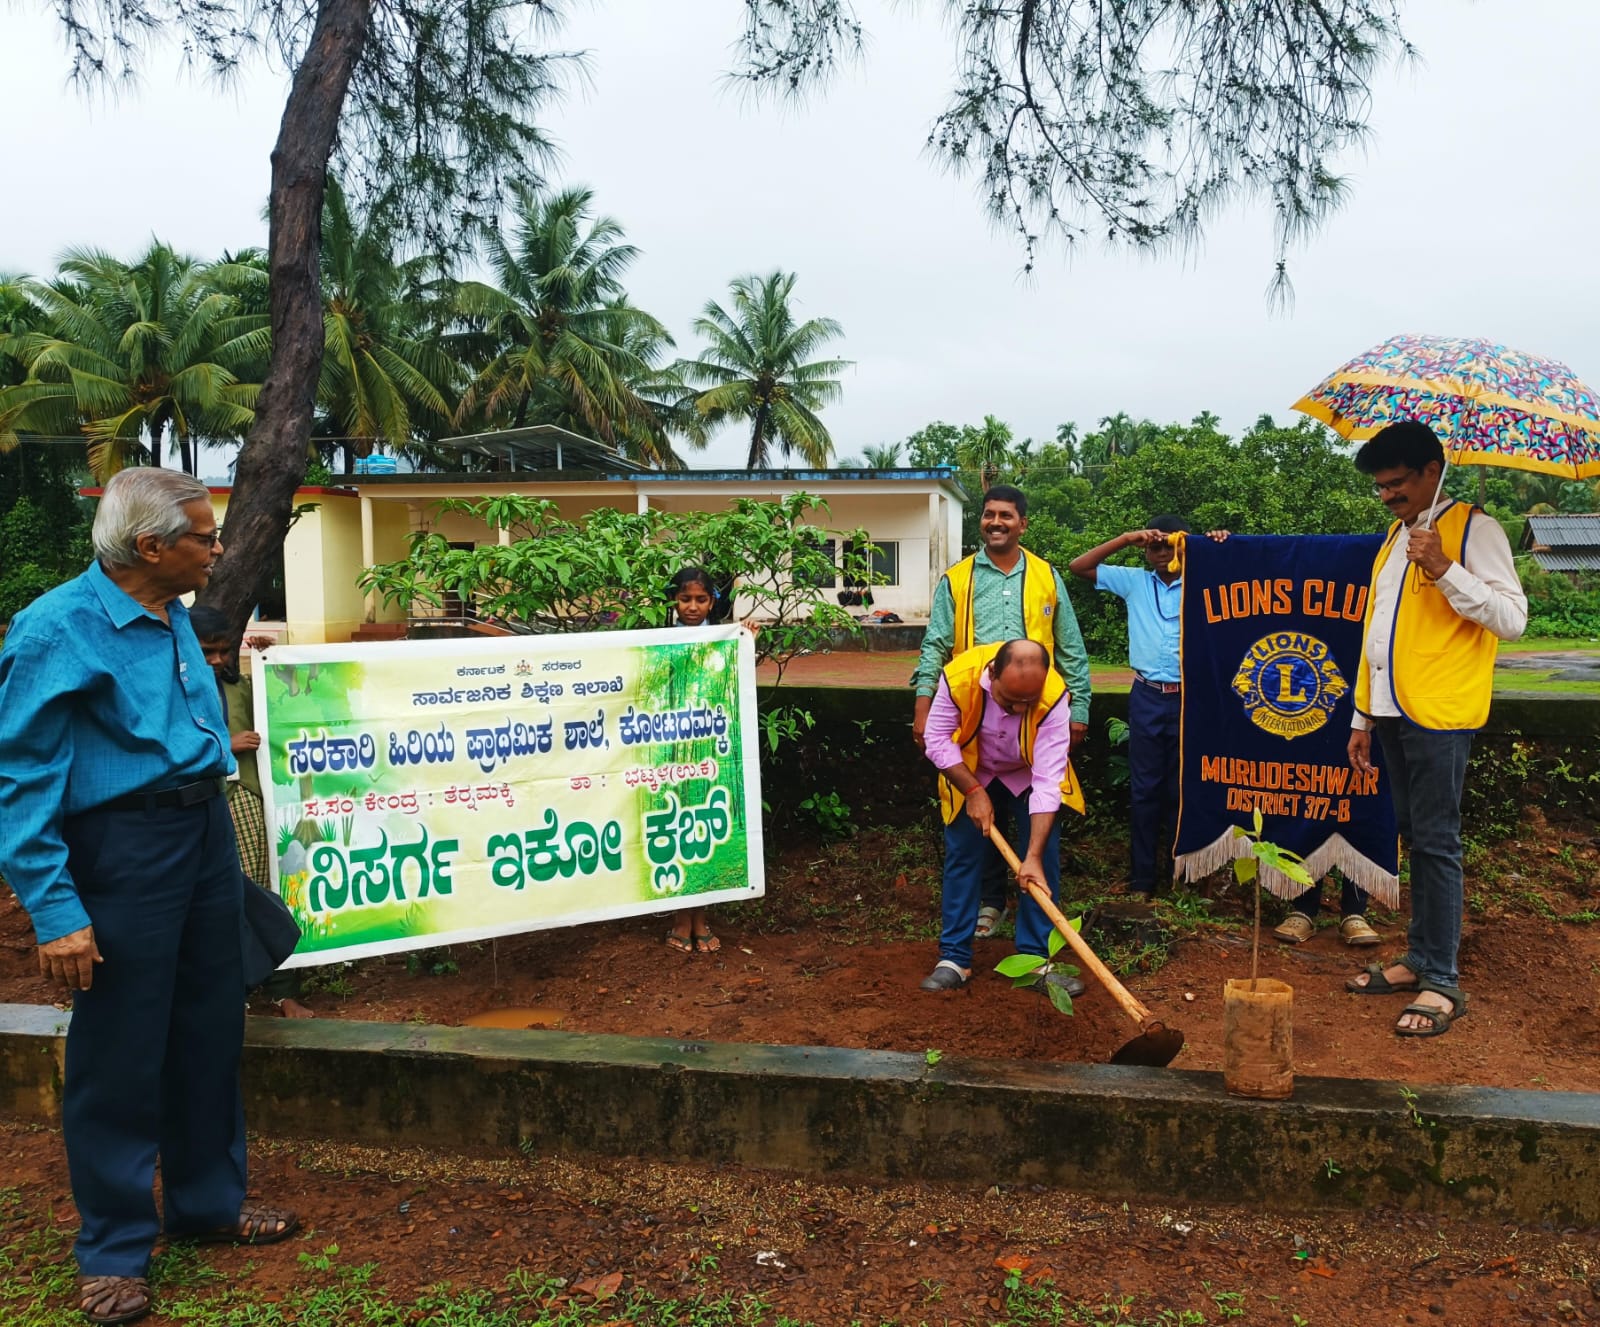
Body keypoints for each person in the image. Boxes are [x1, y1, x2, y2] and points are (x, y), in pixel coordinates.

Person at [0, 469, 299, 1326]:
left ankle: (206, 1200)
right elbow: (19, 779)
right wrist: (56, 911)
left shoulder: (172, 613)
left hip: (200, 836)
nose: (220, 548)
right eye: (206, 536)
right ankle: (114, 1250)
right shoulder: (57, 630)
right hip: (124, 848)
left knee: (210, 1025)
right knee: (121, 1049)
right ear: (151, 547)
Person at [1343, 421, 1527, 1037]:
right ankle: (1419, 956)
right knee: (1416, 838)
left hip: (1442, 715)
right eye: (1380, 487)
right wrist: (1362, 716)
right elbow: (1376, 632)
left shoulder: (1477, 529)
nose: (1387, 496)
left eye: (1396, 484)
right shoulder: (1395, 538)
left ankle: (1442, 980)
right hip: (1392, 712)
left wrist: (1447, 568)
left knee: (1439, 843)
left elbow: (1511, 619)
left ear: (1430, 472)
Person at [911, 486, 1092, 940]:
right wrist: (923, 704)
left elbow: (1071, 648)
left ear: (1022, 523)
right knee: (974, 829)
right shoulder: (958, 579)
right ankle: (984, 911)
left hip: (1037, 720)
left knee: (1037, 824)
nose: (996, 522)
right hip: (973, 717)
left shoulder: (1048, 577)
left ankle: (1033, 944)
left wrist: (1080, 710)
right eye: (989, 515)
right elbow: (934, 645)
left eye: (1006, 516)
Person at [919, 639, 1086, 998]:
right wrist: (973, 791)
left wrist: (1034, 858)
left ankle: (1034, 960)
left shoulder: (1054, 696)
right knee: (964, 856)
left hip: (1026, 773)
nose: (1017, 710)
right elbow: (936, 740)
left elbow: (1048, 779)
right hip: (969, 769)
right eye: (1008, 701)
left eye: (1027, 704)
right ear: (991, 673)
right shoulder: (959, 677)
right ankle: (954, 959)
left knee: (1043, 865)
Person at [189, 605, 316, 1018]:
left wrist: (268, 660)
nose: (217, 660)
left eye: (223, 651)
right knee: (216, 900)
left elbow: (281, 704)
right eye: (208, 650)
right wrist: (226, 746)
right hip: (196, 805)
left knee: (262, 891)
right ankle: (231, 993)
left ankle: (280, 990)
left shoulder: (235, 685)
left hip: (244, 796)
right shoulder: (165, 690)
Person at [662, 566, 723, 955]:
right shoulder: (661, 641)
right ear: (674, 600)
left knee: (704, 831)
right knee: (674, 829)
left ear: (712, 602)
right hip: (668, 750)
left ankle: (701, 918)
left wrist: (746, 642)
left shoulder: (724, 640)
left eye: (701, 599)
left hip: (709, 751)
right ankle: (680, 918)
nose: (692, 607)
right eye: (686, 599)